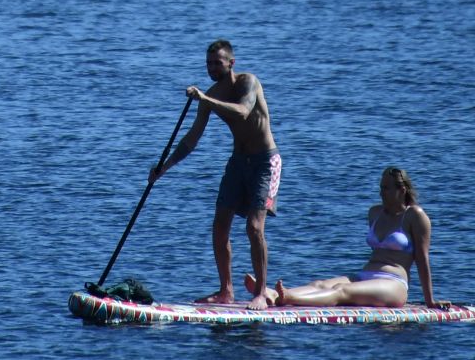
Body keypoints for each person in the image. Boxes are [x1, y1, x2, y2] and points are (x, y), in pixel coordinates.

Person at [150, 39, 280, 309]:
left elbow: (244, 111)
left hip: (265, 163)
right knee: (220, 226)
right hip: (237, 162)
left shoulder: (248, 82)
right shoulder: (210, 95)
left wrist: (205, 99)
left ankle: (260, 293)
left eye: (217, 63)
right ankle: (226, 291)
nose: (211, 68)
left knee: (254, 228)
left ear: (231, 63)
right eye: (208, 63)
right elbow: (192, 139)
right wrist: (165, 167)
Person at [268, 167, 442, 309]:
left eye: (387, 188)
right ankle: (274, 295)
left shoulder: (415, 216)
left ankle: (289, 298)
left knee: (342, 290)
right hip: (365, 275)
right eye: (381, 188)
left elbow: (422, 259)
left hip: (393, 284)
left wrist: (430, 301)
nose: (382, 193)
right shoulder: (375, 213)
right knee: (320, 284)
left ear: (402, 190)